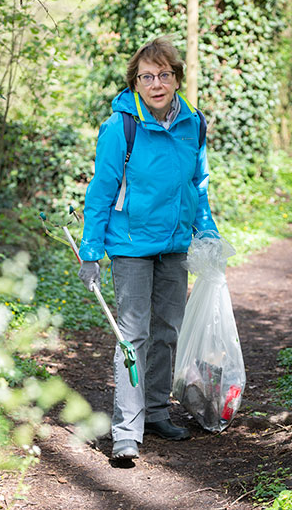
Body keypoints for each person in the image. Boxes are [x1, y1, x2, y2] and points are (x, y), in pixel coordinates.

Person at [78, 37, 219, 460]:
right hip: (132, 247)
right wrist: (90, 251)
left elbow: (199, 184)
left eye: (163, 74)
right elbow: (101, 190)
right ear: (135, 82)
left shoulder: (193, 123)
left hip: (174, 246)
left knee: (167, 333)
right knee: (132, 336)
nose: (156, 83)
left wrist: (207, 233)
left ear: (176, 77)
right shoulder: (121, 126)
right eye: (146, 76)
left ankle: (157, 412)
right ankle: (126, 429)